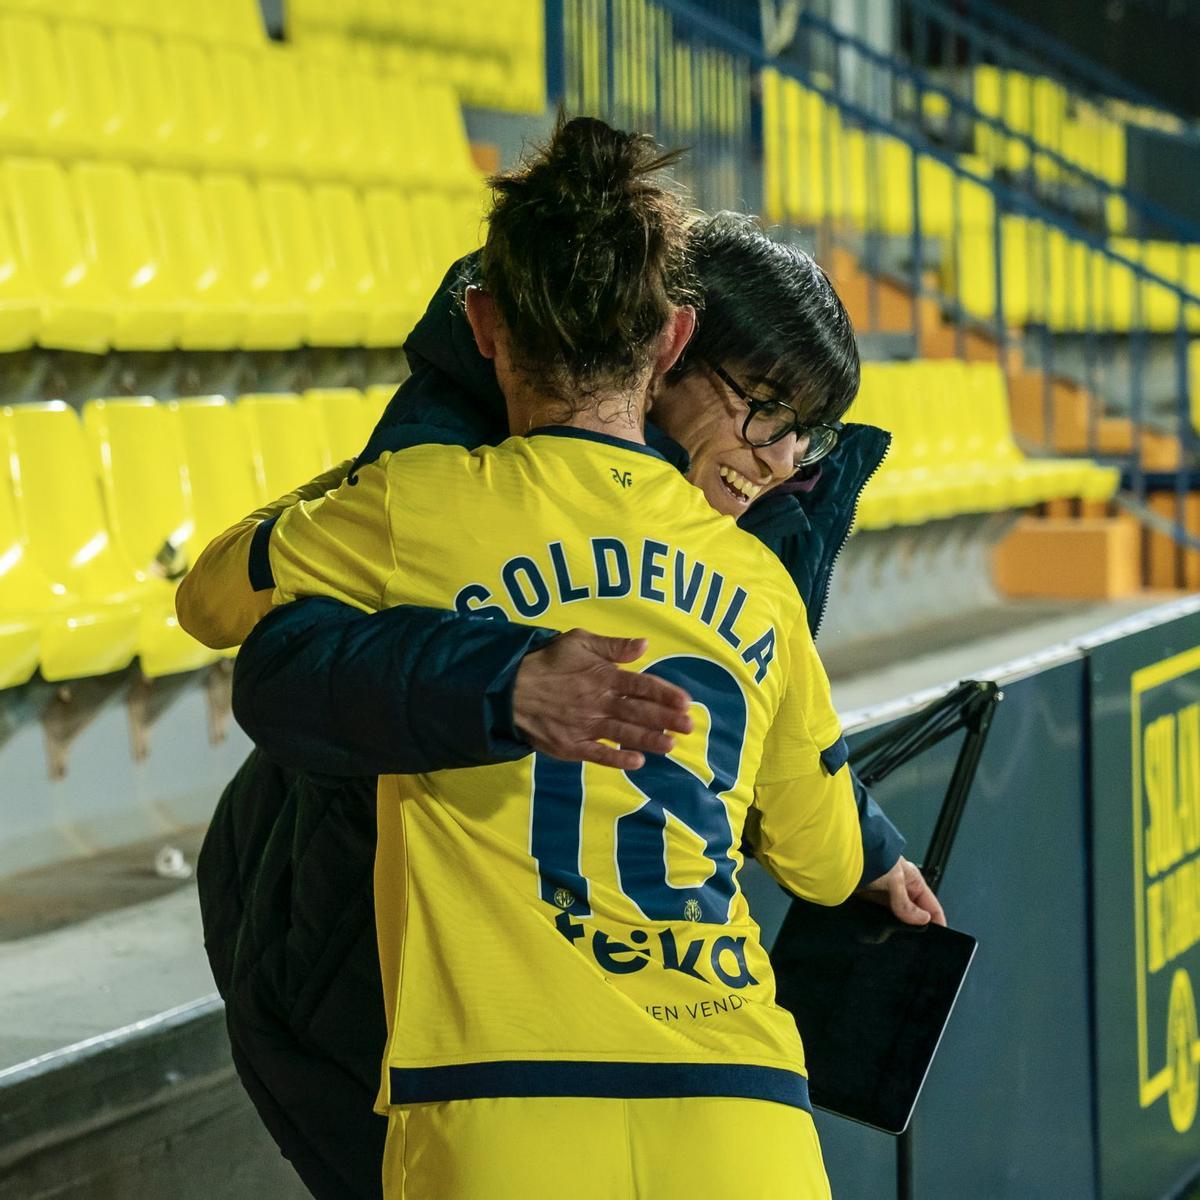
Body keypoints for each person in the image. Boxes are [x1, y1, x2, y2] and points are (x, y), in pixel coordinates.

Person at [182, 218, 943, 1196]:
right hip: (366, 965)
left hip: (578, 1044)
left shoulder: (738, 536)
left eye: (808, 429)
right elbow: (228, 607)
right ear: (663, 349)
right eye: (763, 408)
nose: (786, 457)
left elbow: (776, 747)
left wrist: (869, 848)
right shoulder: (447, 473)